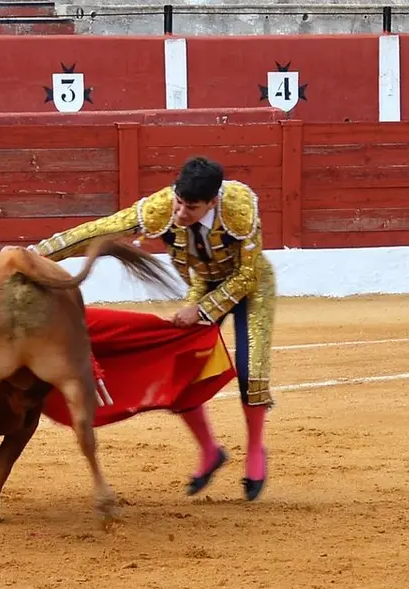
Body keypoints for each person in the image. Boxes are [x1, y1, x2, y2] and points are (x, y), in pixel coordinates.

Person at [26, 156, 276, 501]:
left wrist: (201, 310)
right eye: (179, 201)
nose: (181, 212)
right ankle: (209, 450)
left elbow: (247, 275)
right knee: (182, 366)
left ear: (213, 202)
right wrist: (34, 255)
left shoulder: (241, 209)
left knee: (252, 372)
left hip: (252, 288)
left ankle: (255, 450)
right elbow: (99, 232)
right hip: (202, 283)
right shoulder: (162, 207)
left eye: (191, 207)